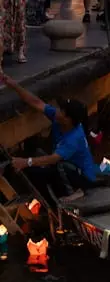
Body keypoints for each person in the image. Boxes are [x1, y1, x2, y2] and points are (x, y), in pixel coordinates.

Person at [0, 73, 96, 202]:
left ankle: (77, 193)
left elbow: (53, 159)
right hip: (63, 168)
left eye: (62, 111)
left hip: (81, 177)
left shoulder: (74, 138)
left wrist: (25, 162)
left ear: (68, 119)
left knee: (57, 164)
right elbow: (36, 102)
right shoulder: (59, 119)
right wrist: (13, 85)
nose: (57, 111)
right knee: (34, 170)